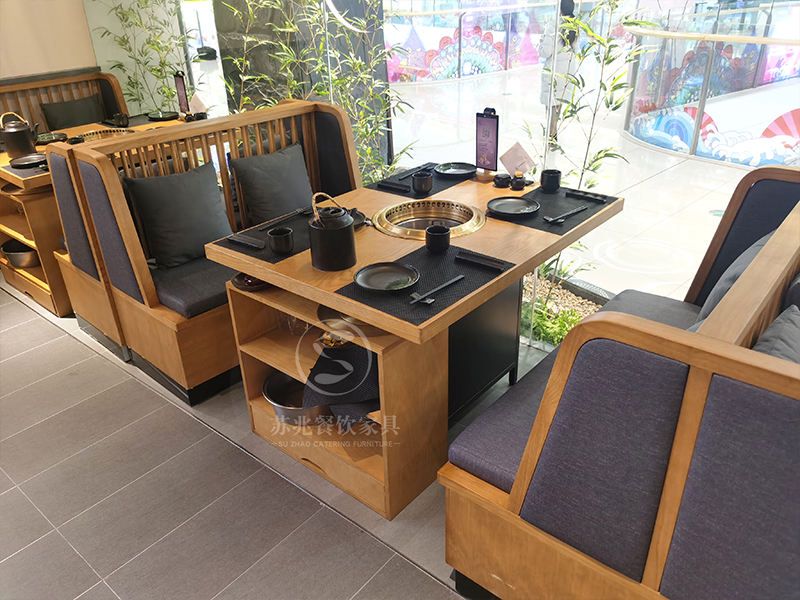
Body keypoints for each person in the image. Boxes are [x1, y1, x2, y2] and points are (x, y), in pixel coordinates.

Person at [539, 0, 578, 145]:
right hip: (567, 70)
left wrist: (541, 44)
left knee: (551, 105)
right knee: (558, 104)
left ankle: (551, 137)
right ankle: (553, 135)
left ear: (560, 9)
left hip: (554, 71)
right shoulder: (575, 26)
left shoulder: (553, 25)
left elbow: (546, 52)